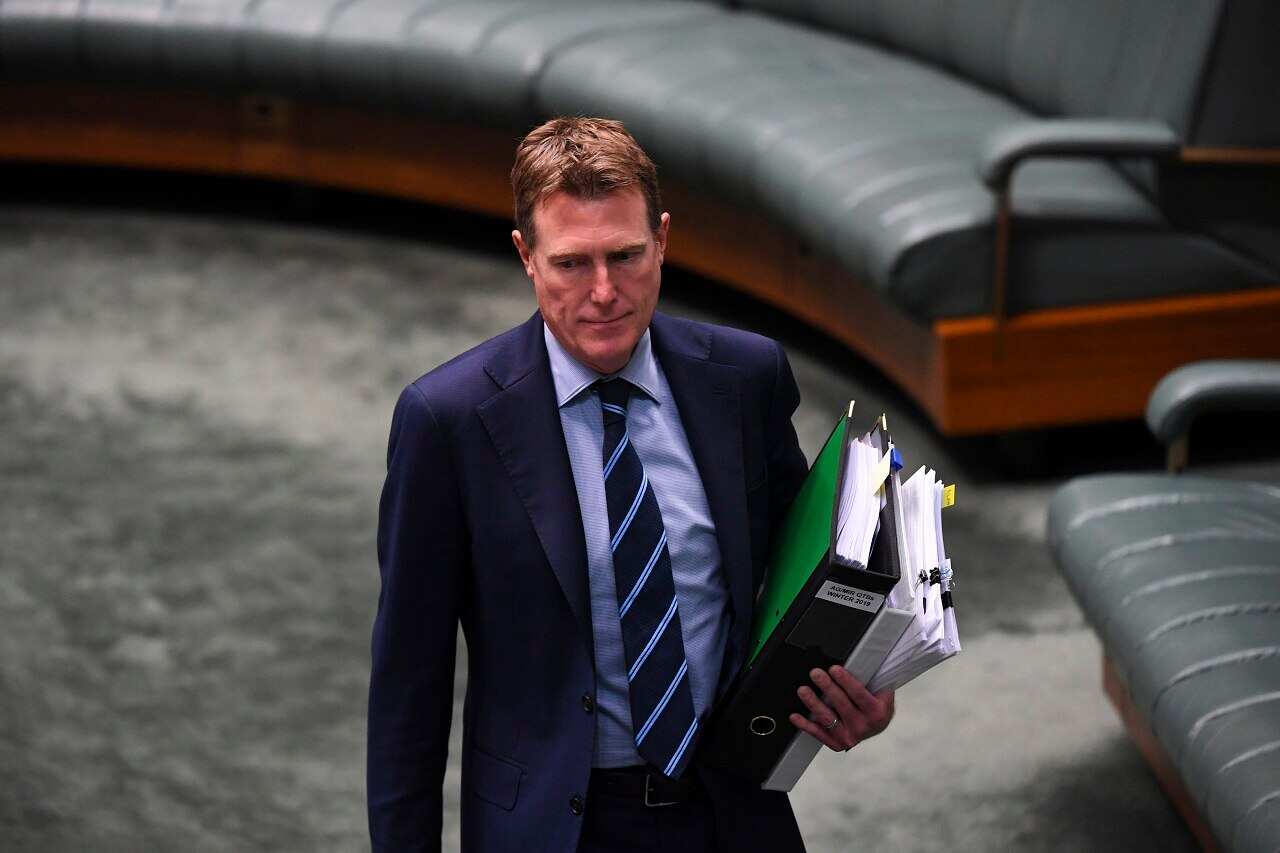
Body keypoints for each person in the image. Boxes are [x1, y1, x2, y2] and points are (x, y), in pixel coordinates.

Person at [367, 117, 895, 853]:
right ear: (526, 256)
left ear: (664, 240)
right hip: (555, 829)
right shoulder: (447, 422)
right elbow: (407, 693)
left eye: (626, 255)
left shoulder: (746, 378)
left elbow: (808, 577)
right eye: (572, 264)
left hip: (732, 811)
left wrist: (865, 681)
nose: (605, 292)